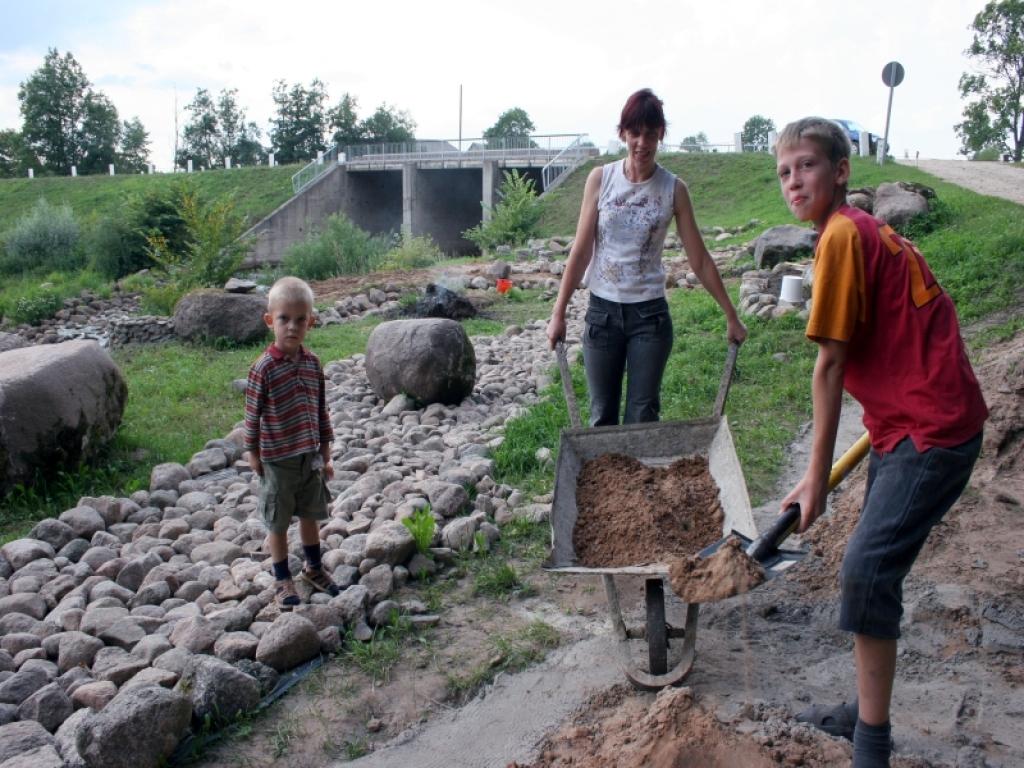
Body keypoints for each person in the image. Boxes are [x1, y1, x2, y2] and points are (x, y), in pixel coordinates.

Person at [774, 117, 987, 767]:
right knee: (871, 570)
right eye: (784, 171)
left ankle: (871, 746)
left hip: (932, 431)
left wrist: (816, 482)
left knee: (866, 571)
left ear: (842, 171)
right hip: (909, 424)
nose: (794, 180)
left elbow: (830, 366)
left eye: (807, 165)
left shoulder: (843, 236)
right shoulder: (860, 232)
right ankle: (867, 715)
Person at [546, 88, 746, 426]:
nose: (642, 142)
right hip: (602, 316)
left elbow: (698, 259)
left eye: (650, 134)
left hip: (649, 318)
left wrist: (731, 315)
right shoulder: (601, 179)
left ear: (661, 135)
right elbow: (581, 251)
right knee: (601, 417)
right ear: (622, 133)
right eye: (634, 133)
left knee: (643, 418)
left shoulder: (673, 189)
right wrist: (558, 313)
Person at [244, 276, 340, 609]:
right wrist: (252, 452)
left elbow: (320, 411)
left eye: (301, 320)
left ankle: (314, 568)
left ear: (310, 322)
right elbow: (252, 414)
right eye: (284, 319)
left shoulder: (313, 365)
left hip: (308, 458)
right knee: (279, 522)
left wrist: (326, 453)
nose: (292, 327)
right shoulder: (264, 368)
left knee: (311, 514)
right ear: (270, 320)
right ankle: (282, 577)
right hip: (278, 461)